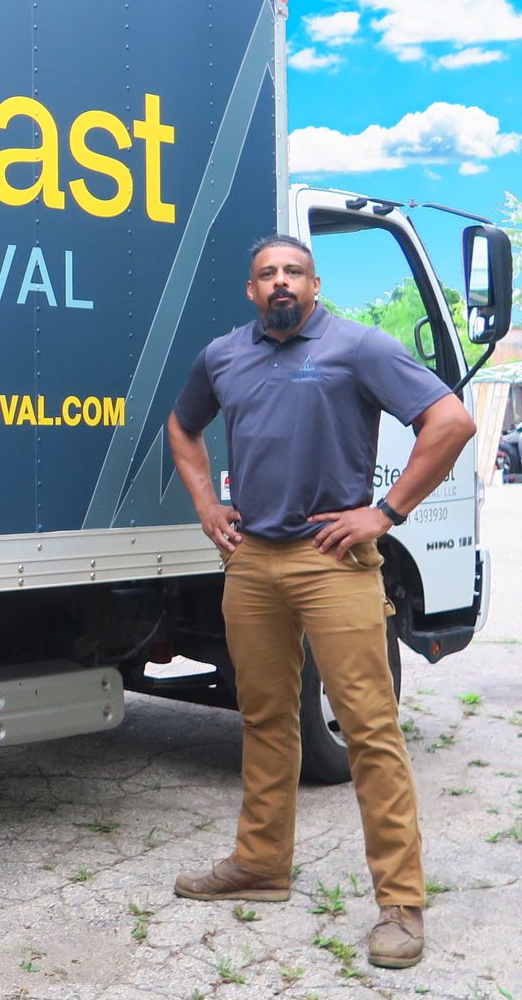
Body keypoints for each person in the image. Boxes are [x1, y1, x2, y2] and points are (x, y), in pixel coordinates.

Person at [164, 233, 476, 969]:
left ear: (314, 283)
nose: (280, 282)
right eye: (266, 271)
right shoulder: (223, 355)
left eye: (293, 272)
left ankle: (401, 902)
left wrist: (387, 512)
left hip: (332, 560)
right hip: (251, 562)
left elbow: (451, 421)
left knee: (369, 727)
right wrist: (208, 504)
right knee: (265, 716)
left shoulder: (358, 346)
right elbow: (183, 427)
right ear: (250, 289)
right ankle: (261, 863)